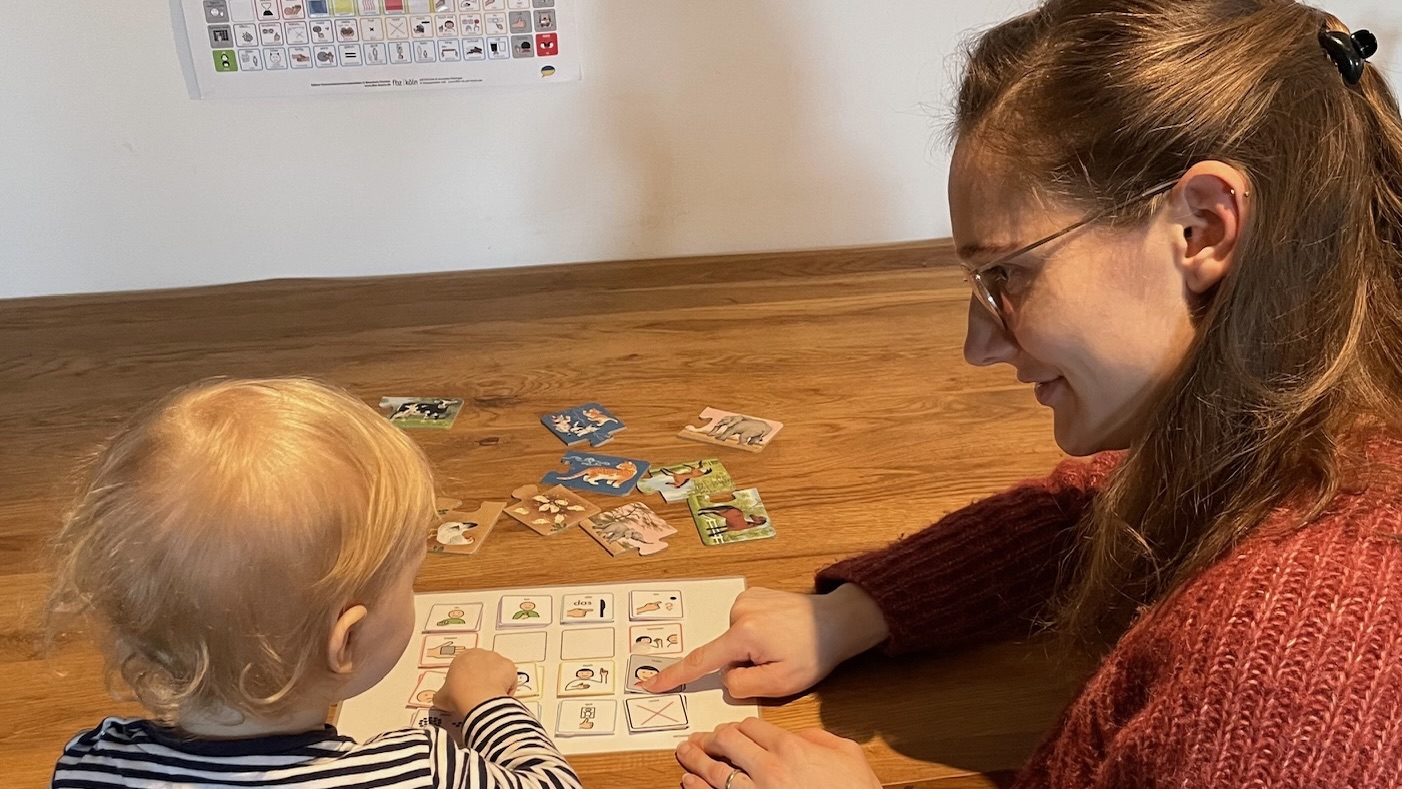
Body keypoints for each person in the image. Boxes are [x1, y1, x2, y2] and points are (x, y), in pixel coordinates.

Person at [645, 1, 1402, 787]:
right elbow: (1108, 506)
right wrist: (855, 611)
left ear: (1202, 228)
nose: (978, 346)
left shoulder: (1287, 678)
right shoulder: (1305, 423)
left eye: (1007, 273)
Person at [47, 377, 581, 789]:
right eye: (410, 580)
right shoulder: (416, 772)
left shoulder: (92, 763)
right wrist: (485, 702)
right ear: (346, 641)